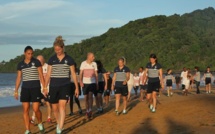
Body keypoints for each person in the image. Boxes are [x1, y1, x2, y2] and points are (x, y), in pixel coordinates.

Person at [44, 36, 79, 134]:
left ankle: (60, 127)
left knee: (62, 107)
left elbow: (73, 74)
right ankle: (59, 123)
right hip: (53, 86)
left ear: (63, 48)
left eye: (59, 50)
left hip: (65, 85)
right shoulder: (52, 59)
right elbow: (48, 74)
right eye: (55, 50)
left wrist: (76, 87)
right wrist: (45, 87)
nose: (57, 51)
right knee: (54, 108)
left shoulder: (69, 59)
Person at [14, 46, 45, 134]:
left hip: (35, 88)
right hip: (25, 89)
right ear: (25, 53)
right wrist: (16, 90)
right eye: (28, 54)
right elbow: (19, 78)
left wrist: (45, 87)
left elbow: (41, 75)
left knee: (36, 109)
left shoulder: (36, 62)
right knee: (25, 110)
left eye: (32, 53)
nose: (30, 55)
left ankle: (40, 123)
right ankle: (28, 130)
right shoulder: (20, 64)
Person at [30, 55, 52, 124]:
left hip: (47, 88)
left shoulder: (48, 66)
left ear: (43, 60)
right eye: (37, 60)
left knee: (48, 103)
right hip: (38, 88)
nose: (38, 62)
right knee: (36, 104)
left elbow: (51, 77)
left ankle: (49, 117)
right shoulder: (36, 68)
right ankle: (33, 118)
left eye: (40, 60)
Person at [79, 52, 98, 119]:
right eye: (93, 56)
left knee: (90, 96)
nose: (94, 58)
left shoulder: (94, 64)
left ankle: (90, 110)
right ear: (89, 57)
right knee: (86, 97)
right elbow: (81, 73)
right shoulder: (83, 63)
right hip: (85, 83)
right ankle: (87, 110)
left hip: (92, 82)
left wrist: (97, 82)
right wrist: (80, 81)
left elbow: (96, 74)